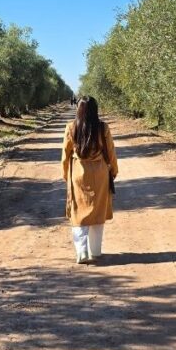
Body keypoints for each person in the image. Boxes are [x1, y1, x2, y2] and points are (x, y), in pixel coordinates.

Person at [61, 96, 118, 264]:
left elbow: (65, 156)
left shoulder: (71, 127)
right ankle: (96, 251)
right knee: (97, 212)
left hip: (79, 173)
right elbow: (111, 152)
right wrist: (113, 171)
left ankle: (82, 252)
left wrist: (66, 175)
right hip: (100, 173)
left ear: (79, 110)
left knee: (79, 213)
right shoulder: (103, 128)